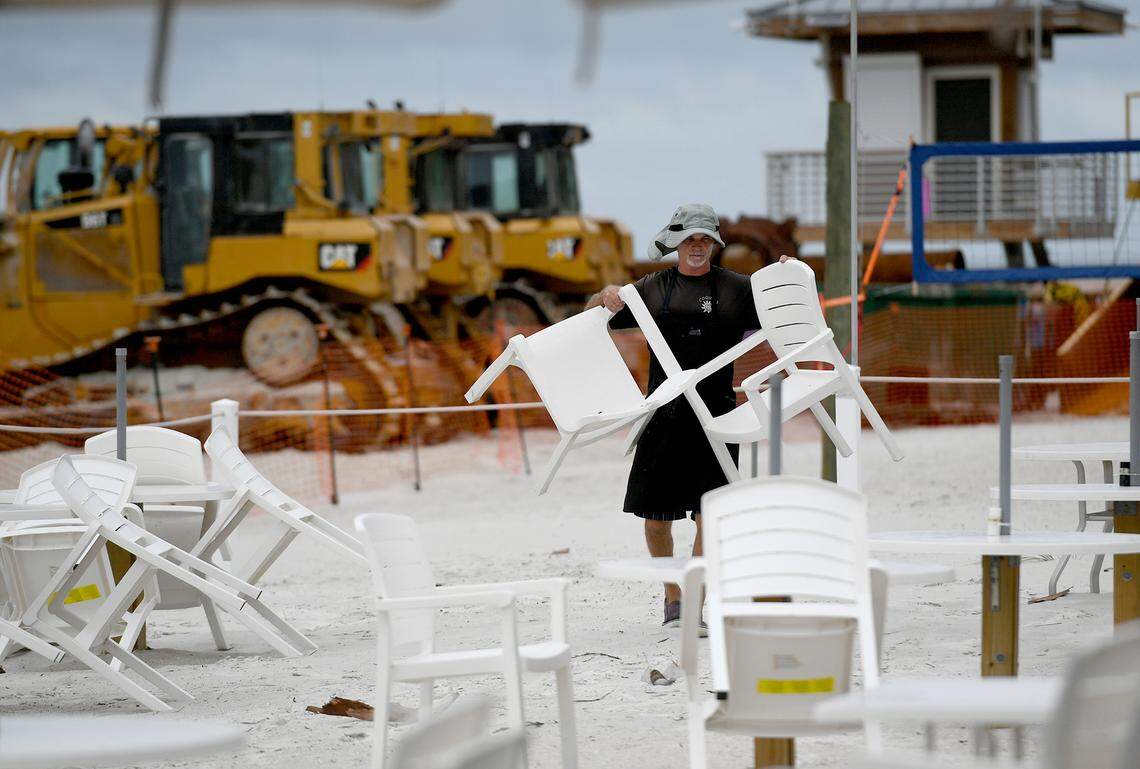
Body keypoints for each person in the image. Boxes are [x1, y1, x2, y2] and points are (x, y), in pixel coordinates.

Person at [586, 203, 761, 628]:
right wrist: (605, 294)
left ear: (714, 245)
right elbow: (593, 315)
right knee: (655, 517)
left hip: (717, 413)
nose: (696, 247)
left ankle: (694, 606)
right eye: (689, 240)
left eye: (704, 239)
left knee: (709, 515)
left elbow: (784, 323)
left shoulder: (739, 288)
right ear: (676, 243)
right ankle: (672, 595)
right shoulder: (652, 287)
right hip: (663, 412)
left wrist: (786, 276)